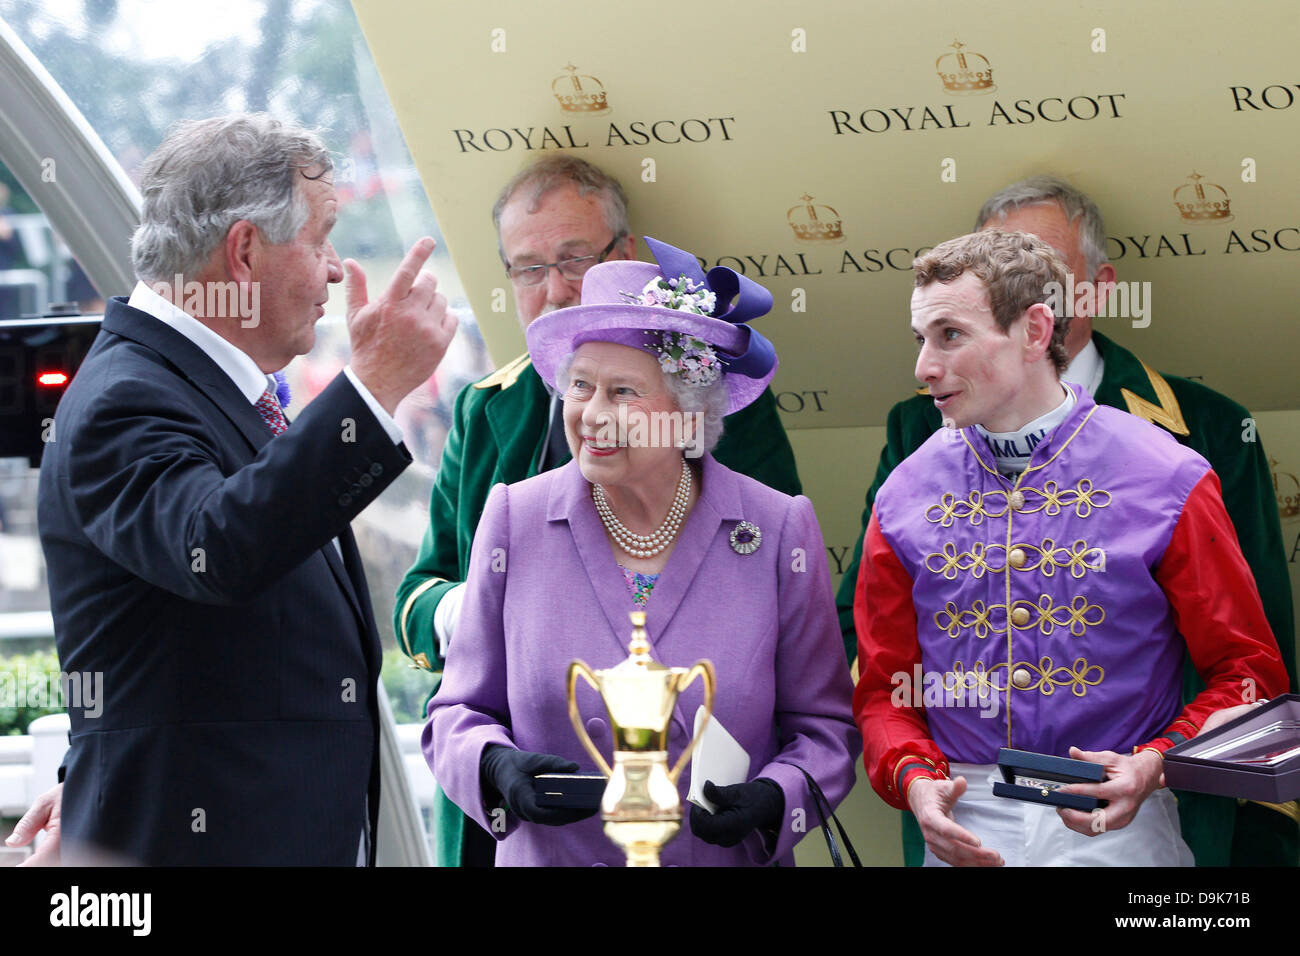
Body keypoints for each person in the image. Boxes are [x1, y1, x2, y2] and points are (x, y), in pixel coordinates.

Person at [6, 114, 456, 865]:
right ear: (246, 251)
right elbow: (219, 548)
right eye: (320, 239)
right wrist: (373, 388)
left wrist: (102, 767)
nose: (337, 270)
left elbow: (162, 648)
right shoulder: (130, 395)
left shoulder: (194, 385)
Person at [837, 175, 1297, 866]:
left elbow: (1248, 670)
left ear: (1034, 330)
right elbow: (883, 688)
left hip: (1117, 822)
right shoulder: (906, 489)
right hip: (963, 818)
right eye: (920, 337)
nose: (923, 367)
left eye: (950, 335)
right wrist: (913, 780)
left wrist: (1156, 764)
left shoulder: (1167, 472)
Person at [395, 155, 803, 865]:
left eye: (573, 259)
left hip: (697, 823)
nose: (553, 289)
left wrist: (772, 794)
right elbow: (418, 598)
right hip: (532, 821)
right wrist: (485, 610)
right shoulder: (486, 408)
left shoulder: (716, 394)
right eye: (527, 269)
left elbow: (775, 609)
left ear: (626, 254)